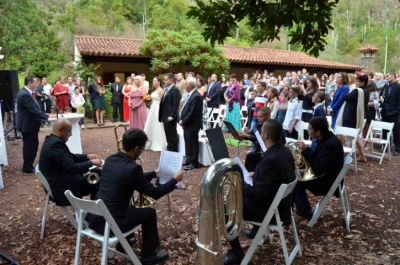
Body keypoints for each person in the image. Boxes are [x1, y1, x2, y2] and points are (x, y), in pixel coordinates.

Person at [86, 128, 183, 265]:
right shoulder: (132, 168)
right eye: (142, 148)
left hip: (97, 219)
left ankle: (123, 244)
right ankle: (149, 255)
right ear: (136, 148)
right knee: (149, 213)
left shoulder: (111, 159)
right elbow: (155, 193)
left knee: (127, 206)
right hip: (113, 224)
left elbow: (126, 178)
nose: (142, 151)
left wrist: (153, 173)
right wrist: (174, 180)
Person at [223, 119, 296, 265]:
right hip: (282, 206)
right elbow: (273, 180)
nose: (260, 133)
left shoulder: (271, 159)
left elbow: (259, 195)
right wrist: (255, 174)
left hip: (271, 212)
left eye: (262, 131)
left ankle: (237, 254)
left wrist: (240, 184)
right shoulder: (284, 150)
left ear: (266, 135)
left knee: (224, 209)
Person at [39, 118, 102, 205]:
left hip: (61, 182)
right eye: (69, 131)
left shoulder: (51, 140)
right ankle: (95, 215)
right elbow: (71, 167)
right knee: (99, 181)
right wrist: (92, 163)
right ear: (60, 130)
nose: (71, 134)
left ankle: (96, 212)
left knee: (98, 172)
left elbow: (71, 157)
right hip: (63, 191)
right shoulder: (56, 145)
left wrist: (87, 156)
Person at [293, 117, 344, 220]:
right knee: (296, 175)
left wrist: (306, 150)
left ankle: (305, 212)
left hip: (328, 183)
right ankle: (302, 210)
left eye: (310, 129)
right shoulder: (325, 139)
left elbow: (319, 168)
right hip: (328, 177)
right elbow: (318, 161)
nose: (308, 131)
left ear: (318, 132)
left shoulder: (330, 144)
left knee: (295, 181)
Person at [16, 76, 53, 173]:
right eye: (35, 82)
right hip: (27, 124)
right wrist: (46, 117)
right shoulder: (24, 94)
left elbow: (34, 108)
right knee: (29, 146)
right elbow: (32, 109)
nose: (37, 84)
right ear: (29, 83)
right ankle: (27, 166)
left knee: (33, 144)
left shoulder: (28, 93)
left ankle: (29, 164)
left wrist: (46, 114)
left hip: (31, 124)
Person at [336, 74, 368, 163]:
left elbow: (345, 97)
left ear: (363, 82)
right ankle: (362, 155)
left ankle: (348, 156)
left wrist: (349, 91)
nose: (355, 82)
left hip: (351, 117)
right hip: (355, 116)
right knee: (356, 137)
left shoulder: (358, 91)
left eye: (357, 81)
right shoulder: (366, 90)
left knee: (351, 137)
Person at [179, 77, 203, 170]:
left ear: (191, 85)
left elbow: (193, 112)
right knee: (188, 142)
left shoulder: (196, 96)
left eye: (186, 84)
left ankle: (194, 162)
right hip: (187, 124)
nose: (184, 86)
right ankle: (189, 159)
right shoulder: (190, 94)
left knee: (193, 144)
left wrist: (184, 120)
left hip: (192, 124)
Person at [159, 73, 181, 152]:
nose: (164, 81)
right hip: (165, 115)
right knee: (167, 133)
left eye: (166, 79)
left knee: (172, 133)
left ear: (171, 80)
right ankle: (170, 146)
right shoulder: (167, 89)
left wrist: (172, 115)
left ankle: (173, 149)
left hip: (170, 116)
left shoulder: (175, 90)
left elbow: (175, 104)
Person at [144, 77, 167, 151]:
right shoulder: (154, 90)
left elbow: (162, 102)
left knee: (157, 124)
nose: (153, 82)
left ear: (159, 82)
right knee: (150, 124)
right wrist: (148, 101)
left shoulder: (161, 90)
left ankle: (158, 142)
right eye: (153, 81)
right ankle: (149, 141)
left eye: (154, 81)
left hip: (157, 109)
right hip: (152, 108)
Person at [381, 73, 400, 156]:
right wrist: (381, 98)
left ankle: (397, 148)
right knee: (384, 130)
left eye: (388, 76)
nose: (386, 77)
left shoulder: (398, 87)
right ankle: (384, 146)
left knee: (396, 131)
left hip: (394, 112)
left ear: (394, 77)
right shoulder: (386, 86)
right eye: (386, 76)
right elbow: (381, 94)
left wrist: (397, 111)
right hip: (385, 111)